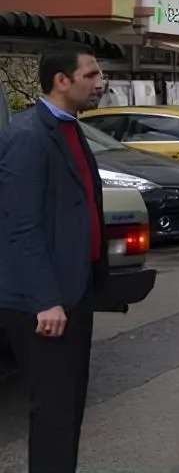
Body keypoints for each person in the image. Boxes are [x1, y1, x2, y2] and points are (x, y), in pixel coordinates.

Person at [0, 44, 107, 473]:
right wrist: (45, 299)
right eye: (90, 75)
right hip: (43, 302)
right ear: (61, 81)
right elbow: (19, 225)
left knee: (69, 406)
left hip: (75, 290)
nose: (100, 83)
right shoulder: (29, 136)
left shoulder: (70, 127)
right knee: (55, 411)